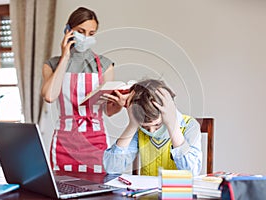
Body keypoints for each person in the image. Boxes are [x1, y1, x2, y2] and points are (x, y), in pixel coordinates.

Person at [41, 7, 126, 174]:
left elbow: (108, 110)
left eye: (91, 33)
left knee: (98, 190)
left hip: (96, 140)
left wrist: (119, 105)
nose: (86, 37)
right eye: (81, 31)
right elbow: (50, 96)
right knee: (62, 186)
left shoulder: (104, 65)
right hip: (64, 141)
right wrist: (65, 56)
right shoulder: (51, 64)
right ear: (68, 30)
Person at [103, 79, 202, 176]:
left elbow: (191, 172)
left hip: (177, 191)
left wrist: (173, 125)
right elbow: (112, 168)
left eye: (157, 125)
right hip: (146, 191)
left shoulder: (190, 125)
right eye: (145, 128)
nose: (151, 131)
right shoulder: (139, 129)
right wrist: (132, 125)